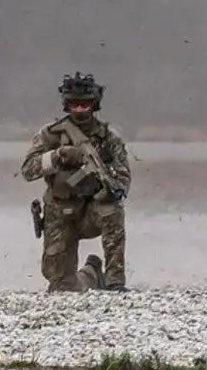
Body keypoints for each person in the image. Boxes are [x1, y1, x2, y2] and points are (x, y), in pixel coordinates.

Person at [20, 72, 131, 292]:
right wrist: (57, 156)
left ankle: (114, 281)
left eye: (85, 104)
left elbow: (123, 177)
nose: (80, 109)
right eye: (75, 104)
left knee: (113, 212)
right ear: (66, 105)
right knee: (62, 285)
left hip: (91, 211)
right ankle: (91, 273)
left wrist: (106, 189)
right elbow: (28, 170)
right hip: (59, 213)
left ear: (94, 104)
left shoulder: (109, 138)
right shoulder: (50, 134)